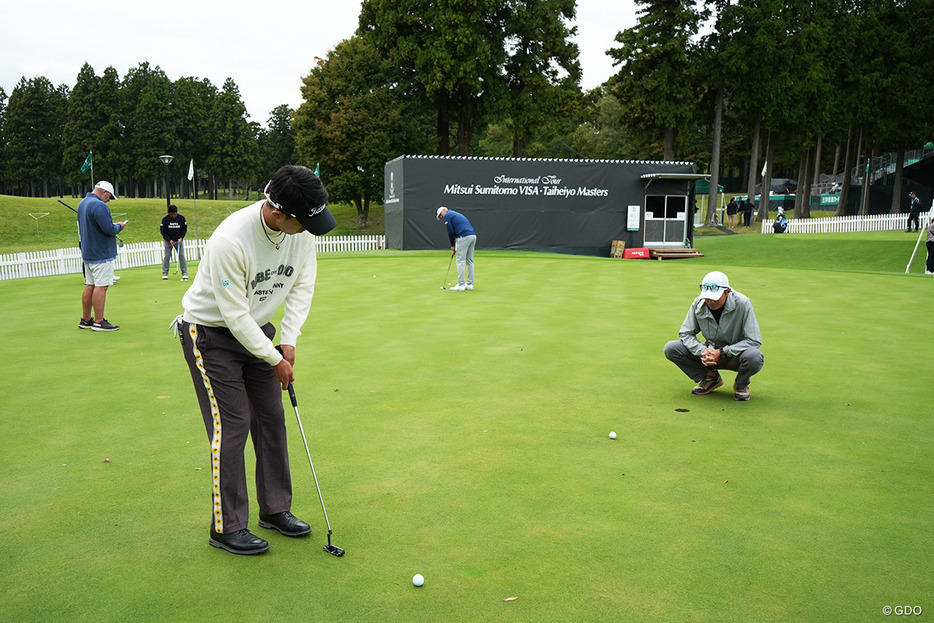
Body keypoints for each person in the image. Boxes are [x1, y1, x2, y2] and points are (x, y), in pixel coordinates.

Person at [175, 165, 337, 555]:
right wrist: (274, 358)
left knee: (271, 418)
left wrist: (289, 340)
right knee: (232, 426)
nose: (309, 230)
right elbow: (233, 316)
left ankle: (275, 509)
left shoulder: (302, 233)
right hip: (210, 335)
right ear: (278, 213)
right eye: (304, 221)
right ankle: (226, 526)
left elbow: (301, 285)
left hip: (258, 331)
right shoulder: (230, 240)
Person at [663, 270, 764, 401]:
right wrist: (702, 351)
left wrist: (722, 352)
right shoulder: (699, 303)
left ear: (727, 292)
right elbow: (686, 333)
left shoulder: (743, 303)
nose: (710, 301)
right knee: (671, 348)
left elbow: (754, 340)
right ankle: (710, 377)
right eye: (707, 297)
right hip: (708, 355)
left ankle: (741, 385)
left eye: (714, 298)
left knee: (754, 357)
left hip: (736, 355)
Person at [77, 181, 127, 332]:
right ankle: (99, 321)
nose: (109, 200)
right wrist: (119, 226)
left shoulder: (83, 203)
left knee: (90, 285)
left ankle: (86, 320)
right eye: (110, 196)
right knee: (101, 286)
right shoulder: (99, 206)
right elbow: (108, 229)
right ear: (104, 192)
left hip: (89, 252)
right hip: (101, 253)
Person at [436, 206, 477, 291]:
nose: (441, 217)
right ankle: (470, 284)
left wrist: (453, 245)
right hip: (472, 236)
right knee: (469, 260)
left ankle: (461, 284)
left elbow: (450, 231)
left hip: (463, 236)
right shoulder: (454, 214)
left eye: (440, 215)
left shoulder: (448, 215)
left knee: (460, 260)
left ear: (444, 210)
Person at [160, 204, 188, 280]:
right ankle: (165, 273)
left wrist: (181, 238)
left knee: (181, 255)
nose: (173, 216)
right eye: (171, 214)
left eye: (174, 214)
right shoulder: (165, 219)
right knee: (167, 256)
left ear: (177, 212)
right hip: (168, 241)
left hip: (179, 240)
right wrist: (169, 240)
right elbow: (162, 231)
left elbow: (184, 229)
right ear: (168, 213)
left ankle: (184, 272)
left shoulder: (181, 218)